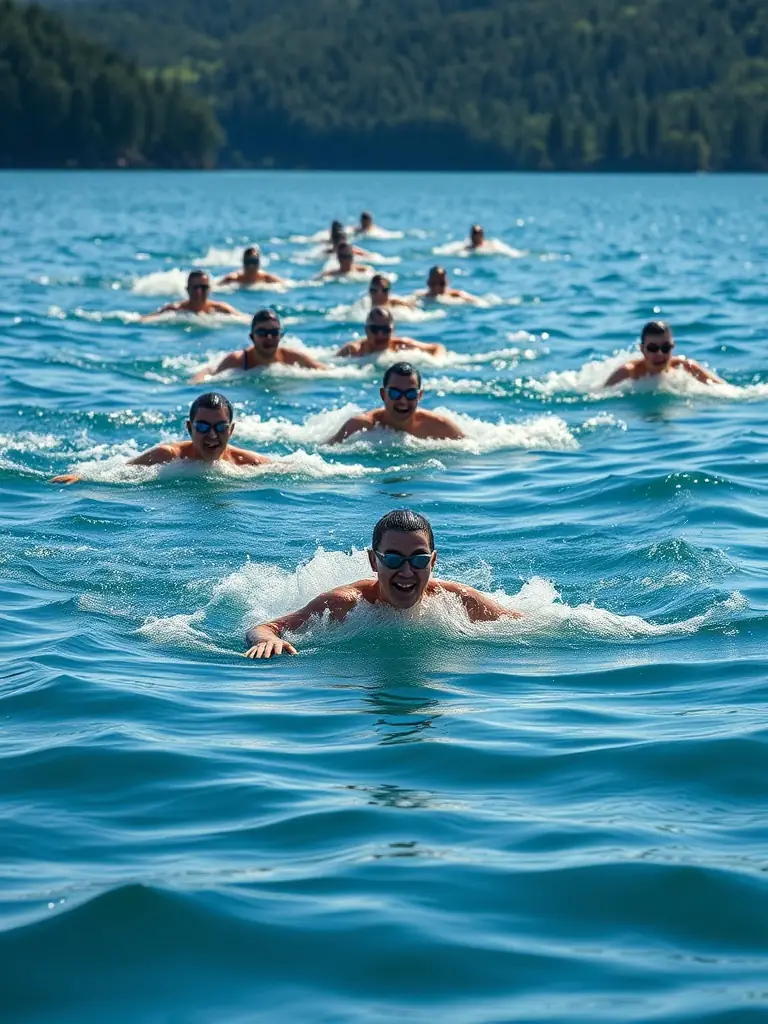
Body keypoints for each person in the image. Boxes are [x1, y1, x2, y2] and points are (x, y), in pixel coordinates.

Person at [244, 508, 522, 658]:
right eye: (392, 559)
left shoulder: (459, 601)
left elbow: (527, 623)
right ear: (374, 562)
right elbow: (265, 628)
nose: (405, 571)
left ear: (433, 562)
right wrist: (267, 641)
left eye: (418, 559)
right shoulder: (345, 605)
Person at [50, 393, 270, 485]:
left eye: (220, 427)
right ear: (189, 428)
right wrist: (81, 477)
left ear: (230, 431)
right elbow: (118, 471)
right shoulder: (168, 456)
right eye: (202, 427)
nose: (212, 435)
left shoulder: (245, 462)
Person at [326, 362, 464, 444]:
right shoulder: (361, 427)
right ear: (383, 395)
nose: (403, 401)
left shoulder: (440, 426)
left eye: (410, 394)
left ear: (419, 396)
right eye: (395, 393)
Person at [192, 309, 327, 382]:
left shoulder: (292, 357)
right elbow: (210, 373)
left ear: (280, 336)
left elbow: (328, 372)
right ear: (252, 337)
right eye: (262, 332)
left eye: (274, 332)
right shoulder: (237, 360)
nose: (269, 337)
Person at [603, 321, 725, 388]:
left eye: (665, 348)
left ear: (673, 347)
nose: (660, 354)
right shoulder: (628, 372)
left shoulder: (686, 367)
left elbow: (725, 390)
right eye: (652, 348)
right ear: (642, 349)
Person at [335, 307, 445, 359]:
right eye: (375, 329)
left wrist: (435, 362)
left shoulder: (401, 345)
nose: (380, 335)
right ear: (367, 331)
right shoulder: (354, 350)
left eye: (385, 330)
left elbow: (438, 347)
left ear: (392, 330)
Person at [141, 270, 242, 320]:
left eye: (203, 288)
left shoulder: (221, 309)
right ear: (187, 290)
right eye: (195, 288)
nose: (199, 292)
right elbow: (145, 319)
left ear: (209, 289)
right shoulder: (175, 309)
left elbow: (245, 319)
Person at [218, 246, 286, 287]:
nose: (251, 266)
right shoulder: (233, 278)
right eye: (248, 262)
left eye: (254, 262)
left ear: (259, 263)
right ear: (243, 263)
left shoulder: (265, 278)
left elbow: (284, 284)